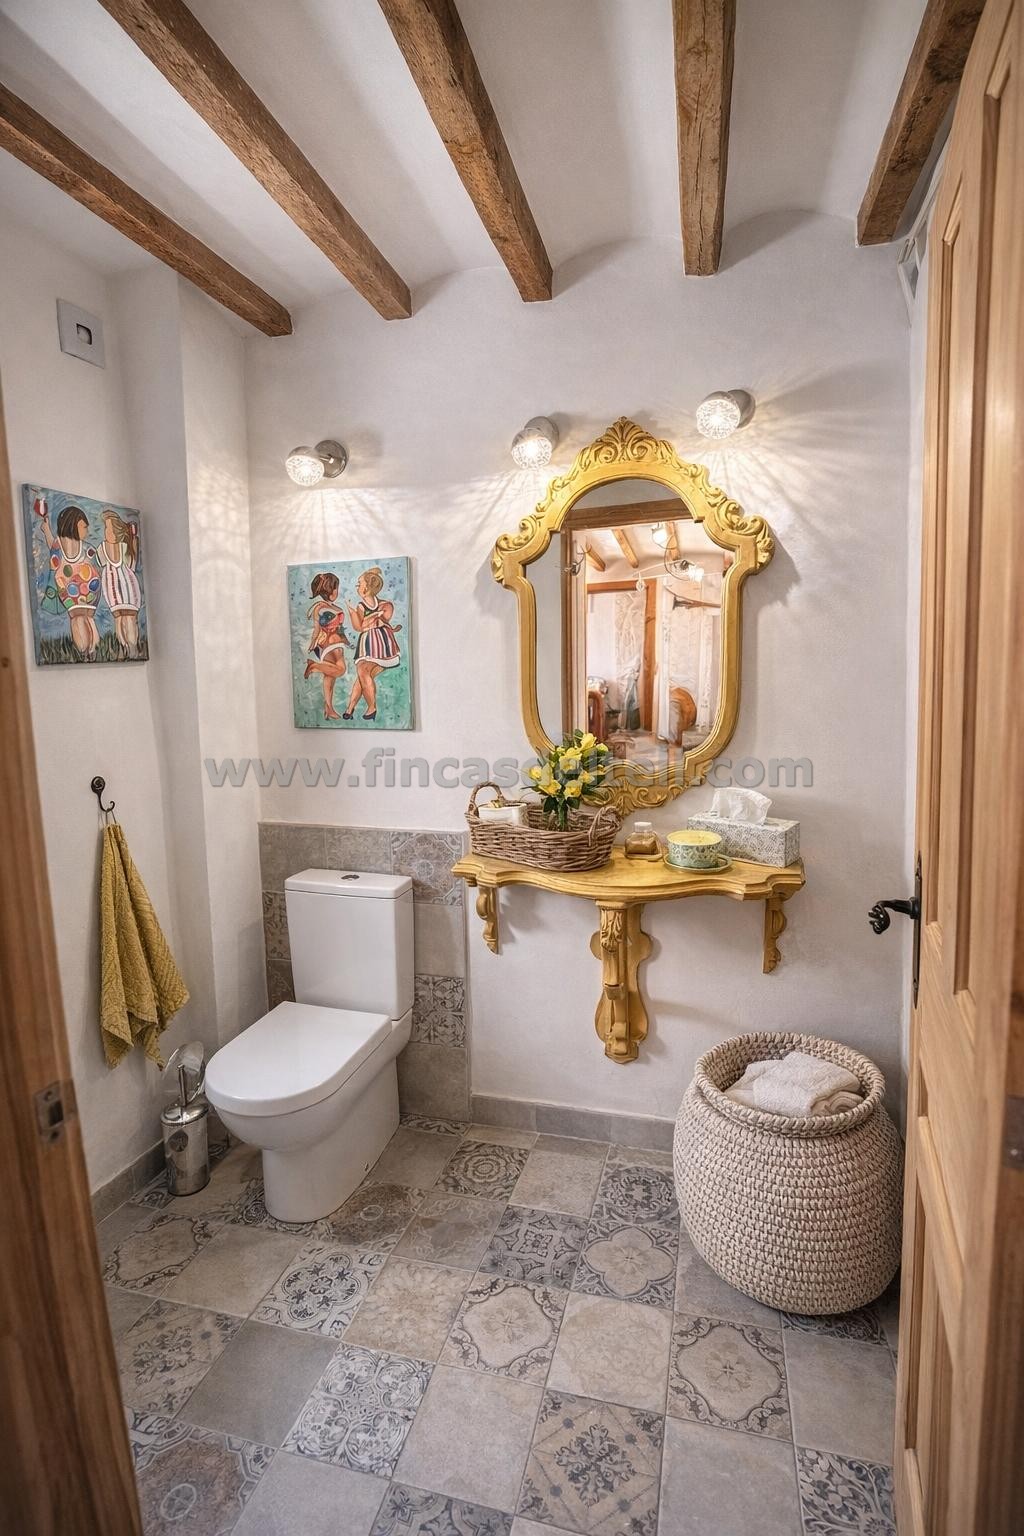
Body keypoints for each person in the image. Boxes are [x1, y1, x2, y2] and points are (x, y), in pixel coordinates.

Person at [33, 494, 101, 657]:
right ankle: (92, 650)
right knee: (87, 617)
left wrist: (46, 528)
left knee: (78, 617)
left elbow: (52, 545)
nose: (87, 530)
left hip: (72, 588)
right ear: (73, 525)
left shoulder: (59, 545)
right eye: (84, 527)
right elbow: (95, 561)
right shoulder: (85, 547)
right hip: (86, 587)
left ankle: (86, 651)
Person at [343, 566, 402, 722]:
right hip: (366, 644)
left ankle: (371, 708)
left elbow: (379, 622)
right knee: (363, 675)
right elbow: (359, 627)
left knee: (363, 672)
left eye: (359, 584)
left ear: (367, 588)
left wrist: (369, 620)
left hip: (382, 645)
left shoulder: (386, 605)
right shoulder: (360, 606)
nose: (357, 587)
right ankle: (351, 708)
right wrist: (354, 613)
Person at [303, 571, 350, 721]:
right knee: (341, 670)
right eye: (336, 588)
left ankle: (329, 708)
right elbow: (318, 628)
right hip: (331, 642)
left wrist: (346, 641)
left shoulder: (327, 606)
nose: (337, 591)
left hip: (332, 643)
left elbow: (335, 628)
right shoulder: (321, 607)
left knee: (330, 675)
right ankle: (314, 666)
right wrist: (313, 641)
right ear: (330, 590)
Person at [98, 509, 143, 655]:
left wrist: (134, 544)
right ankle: (125, 648)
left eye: (108, 528)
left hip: (128, 587)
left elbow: (131, 566)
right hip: (113, 589)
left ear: (116, 531)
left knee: (129, 618)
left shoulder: (125, 547)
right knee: (118, 619)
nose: (105, 532)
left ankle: (132, 648)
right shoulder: (102, 548)